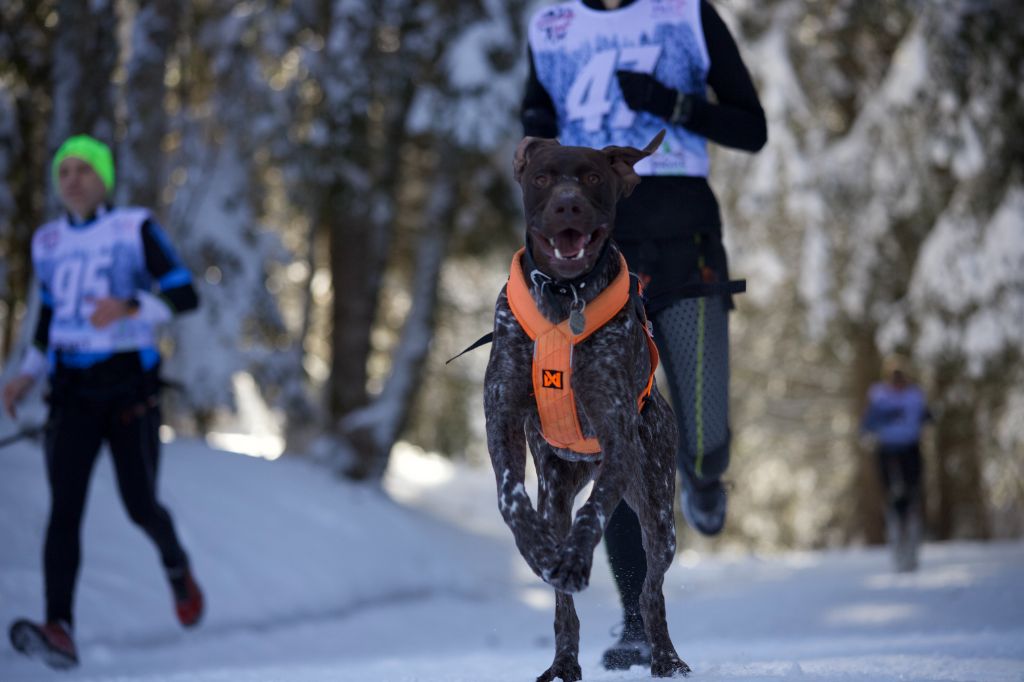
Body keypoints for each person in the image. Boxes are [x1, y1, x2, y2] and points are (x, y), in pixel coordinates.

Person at [521, 0, 767, 669]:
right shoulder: (551, 22)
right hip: (595, 249)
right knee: (613, 433)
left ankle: (704, 480)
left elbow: (752, 129)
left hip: (685, 236)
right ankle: (636, 619)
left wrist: (670, 103)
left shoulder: (687, 13)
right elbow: (537, 119)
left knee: (704, 435)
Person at [2, 134, 204, 670]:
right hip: (71, 393)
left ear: (103, 179)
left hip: (129, 395)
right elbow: (49, 318)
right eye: (63, 170)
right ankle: (59, 626)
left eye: (84, 169)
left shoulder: (132, 229)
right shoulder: (47, 242)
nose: (72, 178)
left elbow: (184, 293)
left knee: (140, 505)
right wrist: (26, 375)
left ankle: (176, 565)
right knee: (63, 512)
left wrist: (130, 305)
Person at [860, 355, 932, 573]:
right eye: (895, 378)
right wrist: (870, 430)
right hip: (888, 451)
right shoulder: (880, 398)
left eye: (902, 378)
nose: (898, 383)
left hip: (910, 450)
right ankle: (897, 543)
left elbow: (928, 417)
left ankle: (912, 545)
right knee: (893, 497)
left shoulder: (914, 397)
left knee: (912, 494)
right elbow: (867, 424)